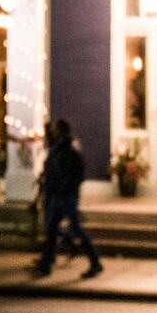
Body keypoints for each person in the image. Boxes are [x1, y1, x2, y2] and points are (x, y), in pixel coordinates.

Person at [32, 118, 103, 279]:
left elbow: (76, 173)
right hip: (58, 194)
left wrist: (65, 187)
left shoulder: (69, 148)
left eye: (56, 129)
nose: (54, 132)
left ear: (61, 130)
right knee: (51, 229)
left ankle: (95, 261)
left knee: (75, 228)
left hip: (66, 196)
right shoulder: (59, 147)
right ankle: (46, 263)